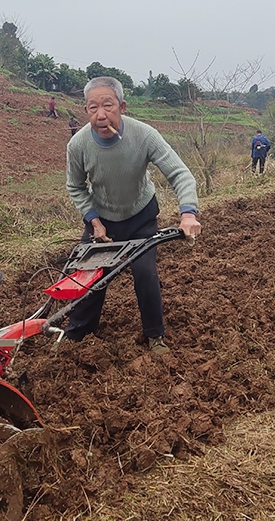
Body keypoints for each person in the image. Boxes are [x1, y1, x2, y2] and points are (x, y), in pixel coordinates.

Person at [65, 76, 202, 354]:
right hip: (101, 220)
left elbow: (180, 174)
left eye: (108, 105)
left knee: (145, 273)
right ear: (86, 111)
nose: (101, 115)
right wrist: (93, 221)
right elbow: (75, 186)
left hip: (140, 217)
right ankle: (77, 337)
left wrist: (188, 213)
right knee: (90, 276)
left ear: (122, 106)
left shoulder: (144, 135)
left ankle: (155, 337)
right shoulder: (78, 145)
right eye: (93, 108)